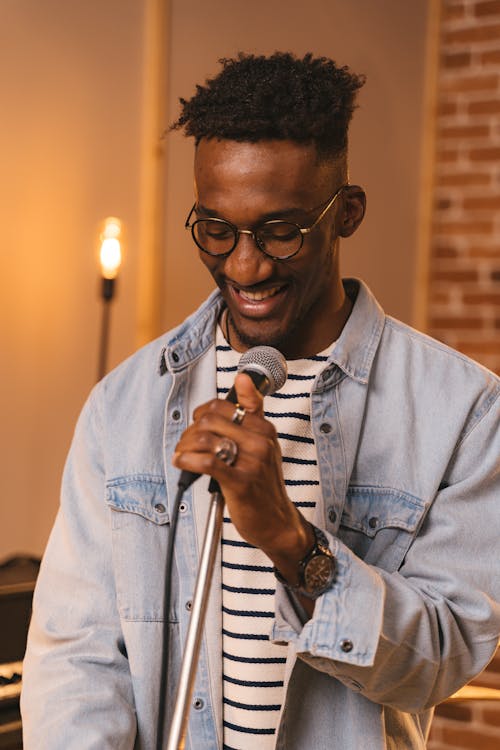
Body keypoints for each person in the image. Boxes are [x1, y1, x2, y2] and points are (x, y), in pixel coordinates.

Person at [21, 52, 500, 750]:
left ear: (348, 214)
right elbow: (76, 657)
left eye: (282, 231)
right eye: (216, 230)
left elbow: (443, 658)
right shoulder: (124, 403)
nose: (245, 266)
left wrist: (290, 541)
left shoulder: (463, 409)